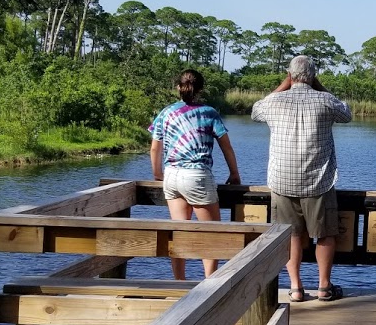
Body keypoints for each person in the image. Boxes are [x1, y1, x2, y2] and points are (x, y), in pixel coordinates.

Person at [251, 55, 352, 302]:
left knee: (292, 235)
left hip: (282, 180)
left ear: (290, 75)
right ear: (313, 75)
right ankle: (324, 287)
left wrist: (284, 84)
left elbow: (255, 111)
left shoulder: (274, 102)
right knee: (326, 234)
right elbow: (346, 113)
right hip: (318, 181)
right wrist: (318, 86)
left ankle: (295, 288)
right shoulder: (325, 101)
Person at [150, 68, 241, 280]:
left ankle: (179, 283)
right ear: (201, 89)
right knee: (211, 234)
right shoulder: (209, 113)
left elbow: (155, 148)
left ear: (178, 87)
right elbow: (226, 146)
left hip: (172, 175)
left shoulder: (166, 113)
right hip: (197, 175)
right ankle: (209, 284)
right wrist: (234, 174)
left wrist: (157, 174)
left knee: (180, 233)